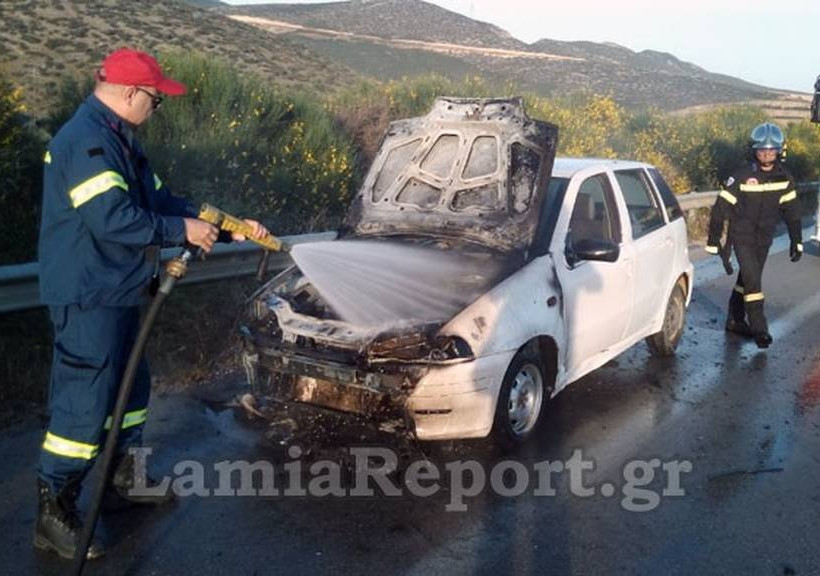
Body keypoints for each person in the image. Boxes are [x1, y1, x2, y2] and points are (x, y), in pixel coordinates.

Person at [35, 48, 269, 560]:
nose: (156, 107)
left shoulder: (122, 141)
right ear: (128, 93)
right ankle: (55, 508)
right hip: (88, 292)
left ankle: (123, 478)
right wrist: (178, 231)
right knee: (86, 403)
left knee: (132, 390)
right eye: (155, 100)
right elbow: (112, 219)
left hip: (119, 289)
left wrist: (229, 225)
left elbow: (164, 203)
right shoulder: (87, 142)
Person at [705, 122, 802, 349]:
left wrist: (796, 240)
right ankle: (760, 329)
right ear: (753, 150)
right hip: (742, 236)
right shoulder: (741, 176)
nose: (767, 154)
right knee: (753, 282)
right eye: (762, 150)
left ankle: (734, 320)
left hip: (765, 238)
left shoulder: (785, 178)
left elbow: (793, 212)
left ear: (780, 151)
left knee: (748, 279)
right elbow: (721, 208)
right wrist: (713, 239)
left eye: (771, 150)